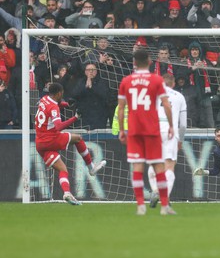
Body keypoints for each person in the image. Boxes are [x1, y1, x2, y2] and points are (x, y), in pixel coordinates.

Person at [117, 49, 175, 216]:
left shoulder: (126, 81)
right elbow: (167, 104)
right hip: (152, 129)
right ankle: (165, 206)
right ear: (150, 61)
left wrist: (122, 129)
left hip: (134, 130)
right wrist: (171, 125)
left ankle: (140, 206)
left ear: (134, 63)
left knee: (137, 167)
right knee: (158, 166)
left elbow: (121, 108)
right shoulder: (156, 79)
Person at [35, 83, 106, 205]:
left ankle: (67, 193)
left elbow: (49, 108)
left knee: (62, 169)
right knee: (78, 138)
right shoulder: (53, 107)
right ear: (58, 93)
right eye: (62, 93)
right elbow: (58, 126)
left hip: (40, 143)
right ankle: (91, 168)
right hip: (51, 138)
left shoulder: (44, 99)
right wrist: (75, 118)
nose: (62, 95)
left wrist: (66, 105)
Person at [148, 73, 187, 208]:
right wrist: (180, 140)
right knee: (169, 165)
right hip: (171, 132)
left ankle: (155, 190)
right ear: (174, 84)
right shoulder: (179, 97)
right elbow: (183, 125)